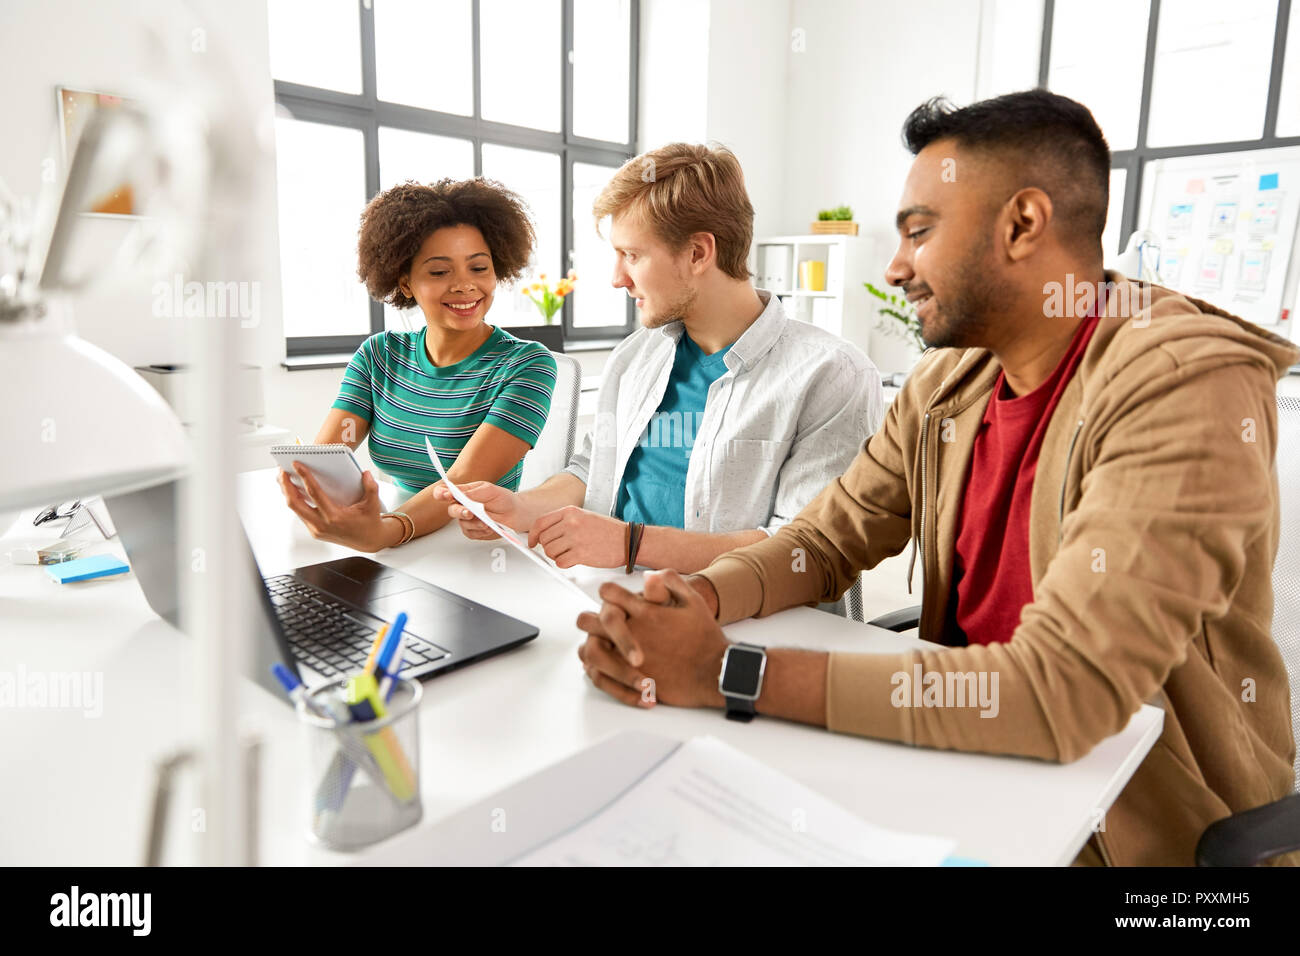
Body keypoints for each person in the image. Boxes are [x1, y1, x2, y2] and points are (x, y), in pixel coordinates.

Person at [574, 90, 1300, 867]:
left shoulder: (1186, 384)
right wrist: (692, 602)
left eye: (920, 232)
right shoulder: (951, 381)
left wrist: (725, 672)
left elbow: (1064, 690)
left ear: (1022, 225)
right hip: (962, 774)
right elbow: (821, 542)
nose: (894, 267)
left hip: (1140, 834)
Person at [435, 143, 883, 577]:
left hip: (741, 625)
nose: (617, 278)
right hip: (612, 599)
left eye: (631, 255)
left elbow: (803, 550)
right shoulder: (634, 357)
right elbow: (593, 470)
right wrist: (520, 507)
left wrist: (631, 544)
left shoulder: (831, 375)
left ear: (698, 253)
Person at [279, 178, 557, 552]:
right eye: (439, 272)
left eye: (478, 268)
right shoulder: (379, 355)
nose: (464, 286)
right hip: (396, 534)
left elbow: (461, 483)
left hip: (477, 546)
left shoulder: (527, 364)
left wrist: (387, 531)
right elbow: (329, 458)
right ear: (406, 283)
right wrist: (311, 488)